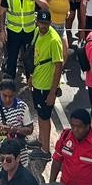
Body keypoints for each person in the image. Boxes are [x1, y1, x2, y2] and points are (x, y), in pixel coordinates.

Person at [29, 10, 63, 152]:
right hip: (37, 81)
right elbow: (36, 56)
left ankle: (45, 150)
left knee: (45, 118)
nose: (43, 26)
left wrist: (52, 92)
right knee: (40, 114)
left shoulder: (54, 40)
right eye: (41, 23)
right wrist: (31, 76)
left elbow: (58, 67)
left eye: (46, 24)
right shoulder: (37, 32)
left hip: (46, 86)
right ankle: (41, 140)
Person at [1, 0, 37, 84]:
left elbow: (42, 6)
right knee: (12, 56)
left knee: (29, 57)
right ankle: (9, 80)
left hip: (29, 30)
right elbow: (2, 12)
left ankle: (30, 78)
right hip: (14, 30)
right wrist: (2, 30)